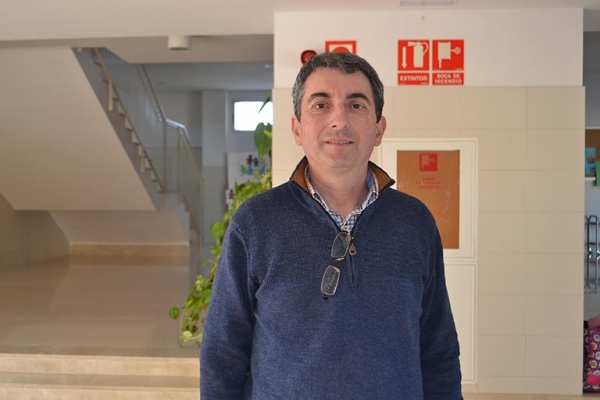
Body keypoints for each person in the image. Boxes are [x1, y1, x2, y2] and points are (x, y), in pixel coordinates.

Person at [200, 51, 463, 399]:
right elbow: (222, 353)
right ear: (297, 128)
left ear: (379, 129)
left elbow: (438, 351)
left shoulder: (415, 223)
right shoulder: (256, 223)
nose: (339, 121)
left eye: (356, 105)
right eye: (321, 105)